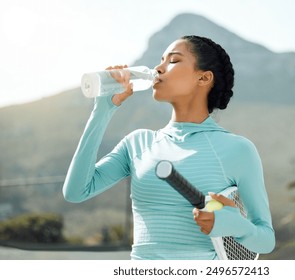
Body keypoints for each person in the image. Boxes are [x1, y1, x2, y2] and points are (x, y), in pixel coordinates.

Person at [63, 35, 275, 260]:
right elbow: (76, 191)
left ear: (204, 78)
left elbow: (266, 240)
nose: (158, 68)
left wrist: (238, 226)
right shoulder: (138, 143)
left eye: (172, 61)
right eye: (161, 60)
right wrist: (103, 109)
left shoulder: (238, 149)